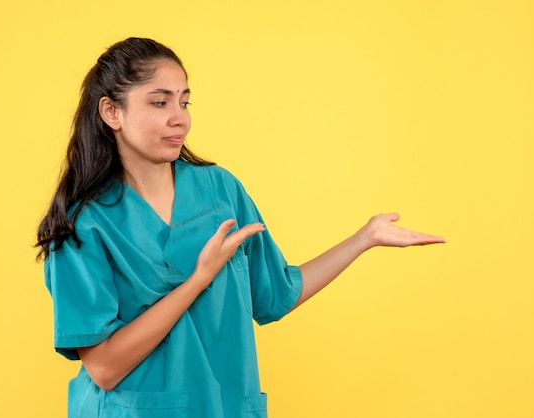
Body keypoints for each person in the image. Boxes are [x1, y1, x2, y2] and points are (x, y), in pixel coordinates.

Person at [36, 37, 445, 418]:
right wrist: (199, 279)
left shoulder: (220, 190)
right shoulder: (86, 221)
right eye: (159, 103)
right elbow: (105, 366)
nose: (180, 119)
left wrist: (364, 238)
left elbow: (277, 295)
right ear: (112, 112)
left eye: (185, 102)